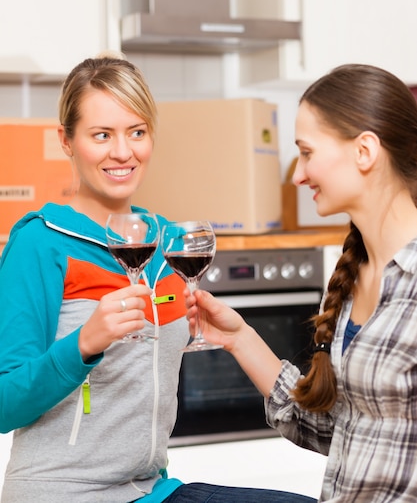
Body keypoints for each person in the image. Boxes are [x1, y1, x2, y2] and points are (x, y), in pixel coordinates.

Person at [0, 54, 316, 503]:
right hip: (60, 492)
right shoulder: (41, 243)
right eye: (102, 135)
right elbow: (3, 403)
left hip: (150, 489)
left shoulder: (164, 244)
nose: (123, 152)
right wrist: (84, 343)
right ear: (67, 141)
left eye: (137, 132)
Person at [186, 63, 417, 502]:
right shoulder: (358, 274)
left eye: (307, 152)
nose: (297, 175)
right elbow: (339, 432)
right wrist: (241, 339)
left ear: (365, 151)